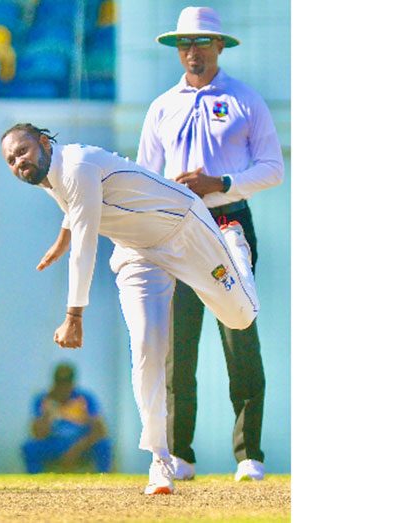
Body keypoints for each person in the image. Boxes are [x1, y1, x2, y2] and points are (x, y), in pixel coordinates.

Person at [0, 122, 259, 494]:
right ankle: (160, 461)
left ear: (43, 142)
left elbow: (86, 243)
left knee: (240, 317)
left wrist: (74, 316)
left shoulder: (76, 165)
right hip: (137, 253)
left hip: (183, 227)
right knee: (146, 350)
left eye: (22, 151)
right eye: (10, 160)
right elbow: (74, 211)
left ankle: (234, 245)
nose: (18, 162)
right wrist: (61, 239)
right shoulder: (48, 179)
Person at [135, 6, 284, 482]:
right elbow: (144, 174)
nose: (192, 52)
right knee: (178, 343)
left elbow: (272, 169)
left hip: (228, 225)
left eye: (201, 43)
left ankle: (248, 454)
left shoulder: (245, 100)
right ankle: (180, 453)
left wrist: (217, 182)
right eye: (184, 44)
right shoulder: (162, 106)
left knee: (239, 334)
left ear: (220, 46)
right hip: (177, 231)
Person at [21, 362, 112, 474]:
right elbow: (37, 434)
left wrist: (77, 448)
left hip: (81, 443)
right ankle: (35, 481)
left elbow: (101, 430)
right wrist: (47, 415)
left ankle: (103, 478)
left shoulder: (84, 399)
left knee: (104, 445)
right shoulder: (42, 399)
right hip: (54, 443)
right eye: (60, 383)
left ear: (73, 383)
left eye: (67, 383)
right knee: (29, 447)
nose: (63, 387)